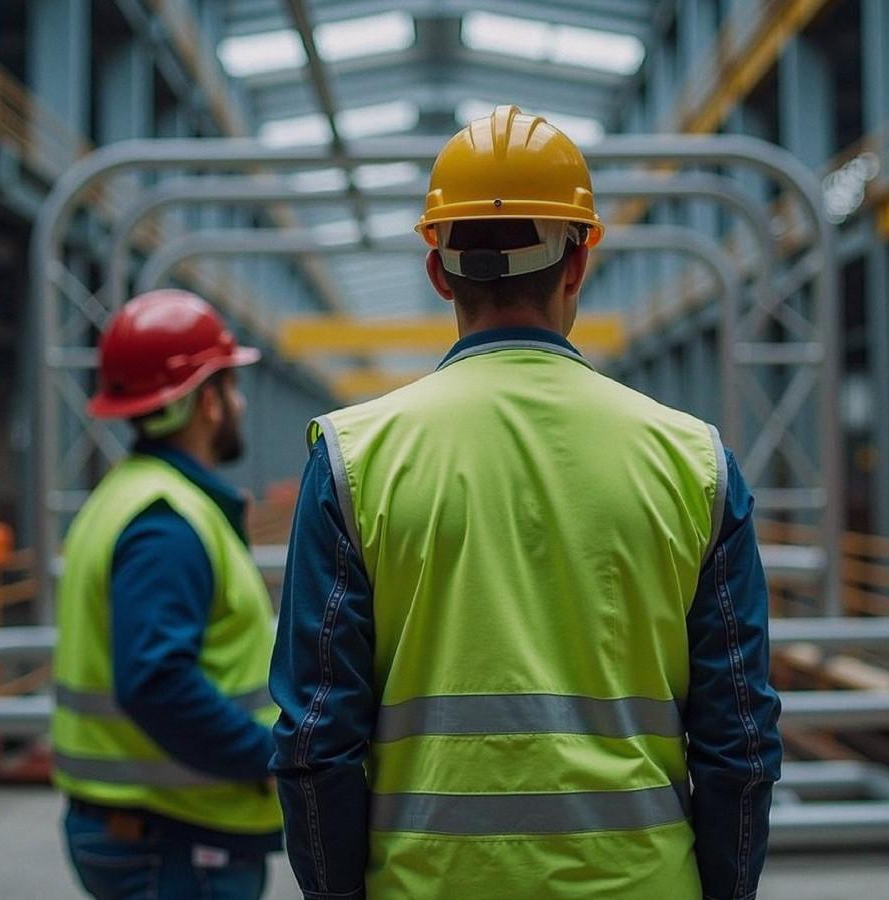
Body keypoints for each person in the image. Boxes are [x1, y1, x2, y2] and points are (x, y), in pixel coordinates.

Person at [269, 104, 782, 900]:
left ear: (439, 271)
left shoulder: (351, 460)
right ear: (578, 262)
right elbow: (741, 743)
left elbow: (313, 745)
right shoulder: (696, 462)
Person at [52, 289, 281, 900]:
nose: (238, 403)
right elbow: (156, 683)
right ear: (206, 401)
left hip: (151, 829)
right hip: (174, 839)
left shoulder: (129, 496)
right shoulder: (167, 524)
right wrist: (272, 757)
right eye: (231, 388)